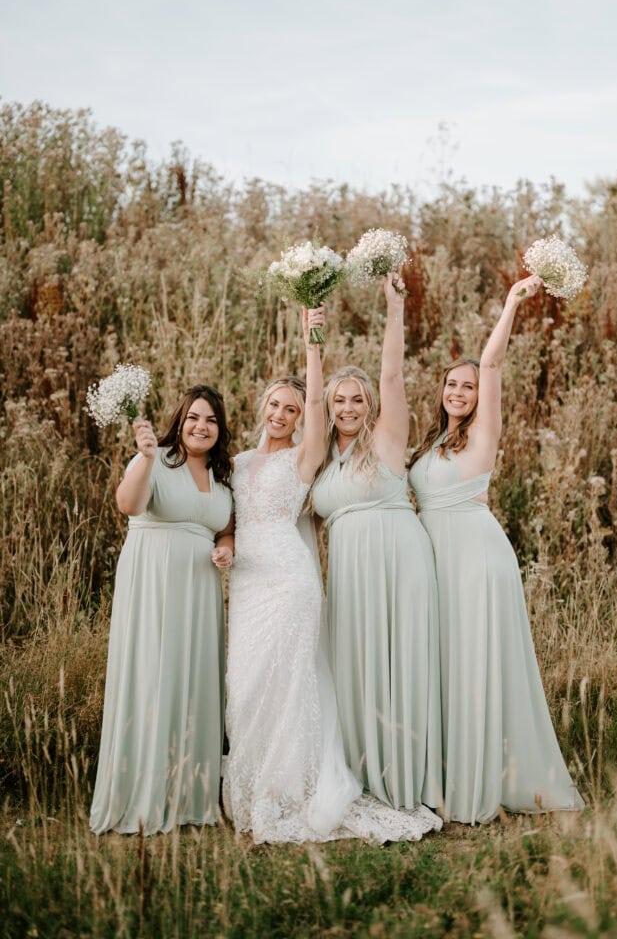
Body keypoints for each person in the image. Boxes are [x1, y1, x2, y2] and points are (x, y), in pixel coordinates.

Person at [222, 305, 441, 843]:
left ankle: (299, 782)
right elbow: (230, 517)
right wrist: (225, 542)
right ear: (262, 406)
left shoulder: (308, 454)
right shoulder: (241, 462)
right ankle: (257, 780)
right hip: (251, 583)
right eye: (275, 404)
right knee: (248, 682)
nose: (281, 413)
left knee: (295, 680)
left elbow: (375, 384)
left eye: (292, 408)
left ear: (304, 417)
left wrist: (312, 342)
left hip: (297, 580)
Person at [408, 275, 585, 824]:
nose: (459, 393)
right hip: (437, 561)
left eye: (468, 387)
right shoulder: (434, 441)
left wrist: (511, 302)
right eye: (451, 385)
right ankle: (445, 774)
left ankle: (483, 781)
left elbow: (492, 363)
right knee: (447, 665)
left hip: (476, 559)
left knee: (475, 663)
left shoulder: (485, 431)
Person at [311, 276, 443, 812]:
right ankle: (363, 770)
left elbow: (391, 373)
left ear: (370, 404)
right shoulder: (322, 460)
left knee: (400, 661)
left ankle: (409, 775)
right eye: (339, 400)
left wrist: (394, 308)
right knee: (356, 667)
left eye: (357, 399)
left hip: (398, 557)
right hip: (348, 572)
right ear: (328, 406)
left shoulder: (388, 439)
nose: (348, 408)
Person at [90, 385, 234, 834]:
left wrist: (227, 548)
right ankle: (140, 793)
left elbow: (225, 527)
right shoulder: (155, 458)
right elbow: (128, 504)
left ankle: (189, 795)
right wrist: (147, 457)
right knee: (152, 676)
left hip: (200, 592)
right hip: (152, 583)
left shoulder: (222, 474)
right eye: (194, 417)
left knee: (193, 679)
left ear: (220, 429)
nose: (201, 427)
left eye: (211, 420)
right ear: (180, 420)